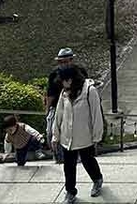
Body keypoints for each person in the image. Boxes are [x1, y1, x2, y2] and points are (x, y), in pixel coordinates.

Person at [55, 65, 104, 202]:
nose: (62, 83)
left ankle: (97, 179)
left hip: (84, 137)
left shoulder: (90, 91)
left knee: (88, 161)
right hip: (67, 138)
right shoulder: (64, 93)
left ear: (70, 80)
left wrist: (96, 136)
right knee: (68, 167)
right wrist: (56, 134)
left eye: (64, 81)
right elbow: (59, 114)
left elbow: (96, 115)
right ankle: (70, 192)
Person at [45, 48, 86, 164]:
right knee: (50, 130)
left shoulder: (80, 71)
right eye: (61, 62)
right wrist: (47, 110)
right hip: (57, 105)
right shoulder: (54, 74)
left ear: (72, 60)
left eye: (66, 61)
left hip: (75, 105)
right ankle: (57, 155)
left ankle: (76, 154)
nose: (64, 64)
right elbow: (50, 94)